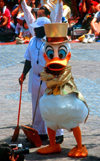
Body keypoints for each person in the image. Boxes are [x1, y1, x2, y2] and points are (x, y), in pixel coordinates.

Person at [18, 0, 64, 143]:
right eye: (35, 28)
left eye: (38, 28)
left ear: (45, 28)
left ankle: (58, 134)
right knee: (37, 106)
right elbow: (28, 60)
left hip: (49, 78)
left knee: (52, 106)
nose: (35, 30)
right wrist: (23, 74)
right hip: (36, 79)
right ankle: (40, 131)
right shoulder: (32, 40)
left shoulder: (52, 41)